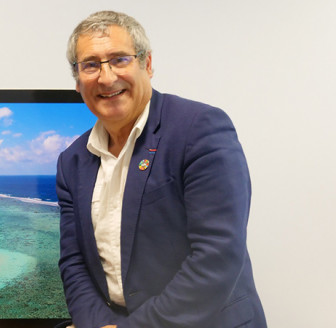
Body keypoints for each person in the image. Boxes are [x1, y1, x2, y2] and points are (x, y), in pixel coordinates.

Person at [56, 11, 266, 328]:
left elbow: (216, 257)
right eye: (91, 65)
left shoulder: (199, 129)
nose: (107, 77)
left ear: (148, 64)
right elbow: (75, 263)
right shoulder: (71, 161)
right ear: (77, 80)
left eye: (119, 59)